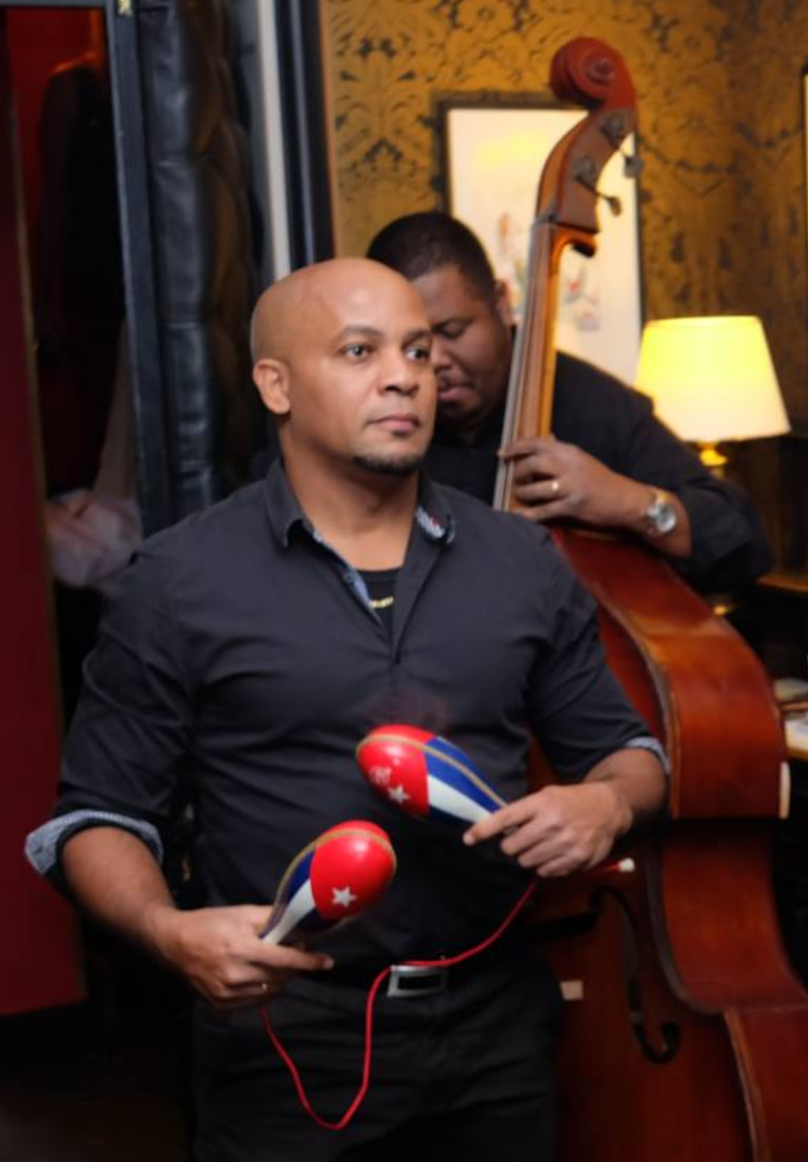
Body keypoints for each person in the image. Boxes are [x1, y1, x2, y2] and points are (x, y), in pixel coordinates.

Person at [26, 258, 669, 1161]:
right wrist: (167, 932)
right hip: (288, 1037)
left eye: (418, 348)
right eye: (359, 351)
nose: (406, 373)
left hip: (498, 1028)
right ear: (276, 385)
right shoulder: (179, 583)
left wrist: (606, 802)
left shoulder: (521, 559)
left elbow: (631, 754)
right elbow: (93, 819)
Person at [365, 211, 772, 593]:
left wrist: (626, 501)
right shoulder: (382, 420)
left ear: (502, 301)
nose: (435, 360)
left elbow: (743, 541)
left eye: (452, 331)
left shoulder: (591, 402)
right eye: (414, 345)